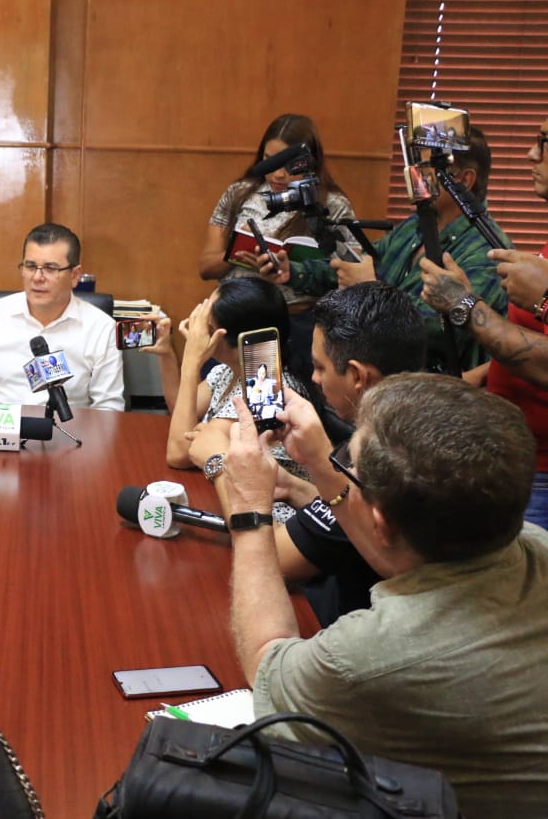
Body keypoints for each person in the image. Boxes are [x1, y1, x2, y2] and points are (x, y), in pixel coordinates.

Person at [219, 373, 548, 819]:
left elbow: (265, 660)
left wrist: (248, 507)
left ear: (382, 521)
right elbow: (385, 544)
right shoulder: (530, 543)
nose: (342, 466)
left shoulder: (369, 656)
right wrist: (319, 462)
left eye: (348, 462)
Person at [264, 282, 427, 626]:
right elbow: (344, 521)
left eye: (320, 367)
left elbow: (271, 561)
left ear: (356, 375)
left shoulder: (376, 465)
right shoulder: (422, 424)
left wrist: (222, 467)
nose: (314, 378)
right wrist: (296, 486)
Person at [418, 117, 548, 530]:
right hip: (514, 455)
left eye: (544, 141)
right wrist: (469, 384)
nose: (531, 153)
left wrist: (463, 304)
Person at [333, 125, 509, 373]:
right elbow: (364, 263)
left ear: (463, 180)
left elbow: (438, 332)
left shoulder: (489, 251)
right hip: (380, 366)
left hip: (432, 384)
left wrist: (371, 290)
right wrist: (293, 271)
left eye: (426, 169)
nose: (415, 177)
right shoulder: (416, 223)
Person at [198, 114, 357, 382]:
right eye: (270, 160)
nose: (278, 174)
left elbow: (350, 277)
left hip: (297, 324)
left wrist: (294, 270)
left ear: (308, 161)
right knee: (220, 396)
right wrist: (239, 251)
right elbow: (205, 267)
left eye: (288, 165)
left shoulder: (331, 204)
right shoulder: (240, 193)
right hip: (235, 320)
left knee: (275, 401)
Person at [0, 223, 125, 411]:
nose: (37, 277)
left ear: (74, 275)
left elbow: (109, 407)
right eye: (31, 266)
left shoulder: (101, 328)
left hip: (68, 428)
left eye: (50, 268)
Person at [155, 278, 304, 488]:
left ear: (233, 338)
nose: (198, 330)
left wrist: (191, 360)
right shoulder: (227, 371)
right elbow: (182, 411)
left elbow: (179, 453)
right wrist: (167, 355)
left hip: (268, 501)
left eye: (206, 325)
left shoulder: (266, 390)